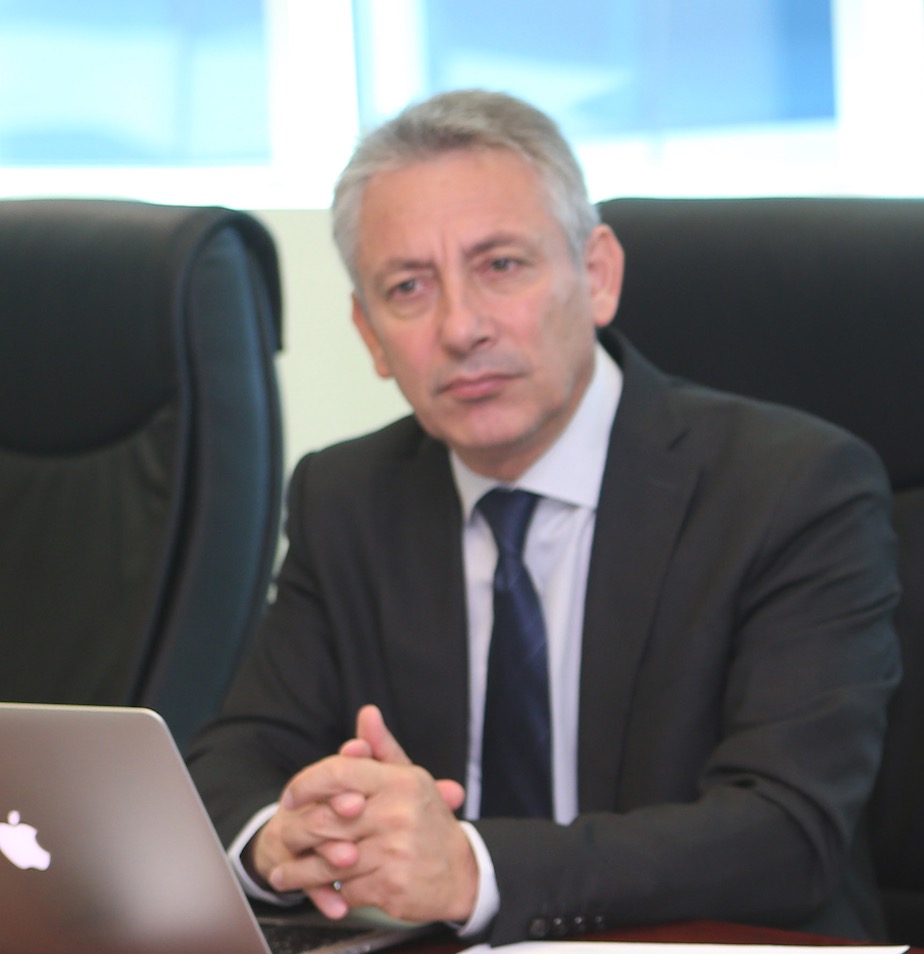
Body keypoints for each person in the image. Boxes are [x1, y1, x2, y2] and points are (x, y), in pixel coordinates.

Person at [186, 89, 901, 945]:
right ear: (370, 334)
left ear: (597, 276)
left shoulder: (792, 487)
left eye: (501, 266)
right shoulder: (346, 497)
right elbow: (238, 757)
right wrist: (282, 838)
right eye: (408, 287)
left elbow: (787, 833)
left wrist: (475, 869)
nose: (461, 328)